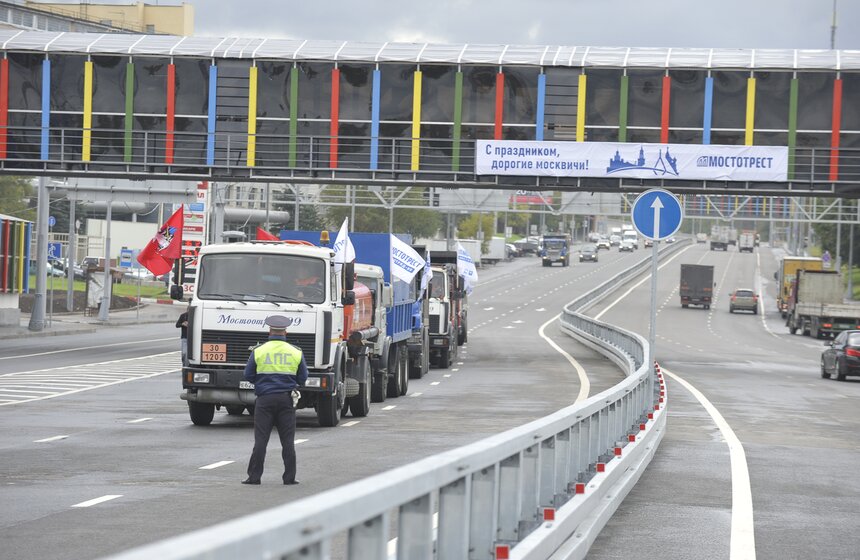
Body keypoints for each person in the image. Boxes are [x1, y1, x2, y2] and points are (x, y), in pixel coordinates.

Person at [242, 315, 309, 486]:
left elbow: (248, 375)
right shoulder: (296, 352)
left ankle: (254, 477)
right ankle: (289, 478)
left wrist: (262, 383)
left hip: (264, 400)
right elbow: (303, 378)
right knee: (287, 441)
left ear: (269, 331)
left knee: (261, 440)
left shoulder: (259, 351)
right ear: (286, 332)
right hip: (286, 400)